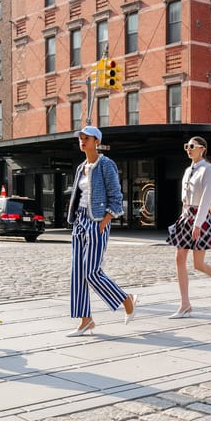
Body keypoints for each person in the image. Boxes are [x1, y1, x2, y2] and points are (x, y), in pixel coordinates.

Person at [65, 125, 138, 336]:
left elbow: (116, 197)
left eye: (86, 138)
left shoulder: (106, 165)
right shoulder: (81, 167)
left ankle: (126, 299)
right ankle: (85, 320)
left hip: (97, 221)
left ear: (96, 141)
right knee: (78, 273)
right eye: (80, 138)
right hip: (80, 221)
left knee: (91, 272)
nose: (82, 141)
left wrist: (104, 222)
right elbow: (78, 196)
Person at [166, 136, 211, 318]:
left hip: (200, 218)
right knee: (179, 257)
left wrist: (198, 223)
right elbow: (185, 197)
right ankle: (185, 304)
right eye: (186, 146)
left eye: (191, 146)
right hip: (186, 216)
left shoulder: (208, 169)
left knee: (198, 264)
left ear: (202, 149)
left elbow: (207, 197)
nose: (188, 149)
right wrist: (182, 217)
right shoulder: (189, 169)